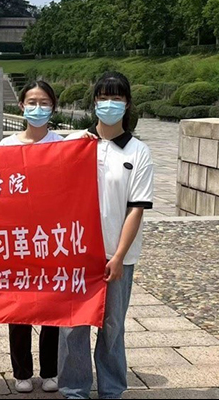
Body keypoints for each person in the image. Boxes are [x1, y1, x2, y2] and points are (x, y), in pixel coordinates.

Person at [58, 71, 154, 399]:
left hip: (117, 254)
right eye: (102, 97)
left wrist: (119, 255)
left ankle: (112, 390)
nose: (109, 104)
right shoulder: (75, 143)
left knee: (112, 326)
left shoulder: (138, 151)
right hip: (75, 251)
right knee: (72, 325)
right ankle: (74, 389)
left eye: (116, 97)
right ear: (94, 102)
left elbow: (136, 209)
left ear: (127, 103)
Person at [0, 80, 62, 394]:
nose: (37, 108)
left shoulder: (62, 145)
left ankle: (51, 369)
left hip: (52, 238)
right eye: (32, 102)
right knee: (19, 307)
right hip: (16, 238)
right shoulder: (6, 146)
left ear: (53, 107)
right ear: (21, 106)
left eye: (44, 103)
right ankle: (21, 371)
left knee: (53, 306)